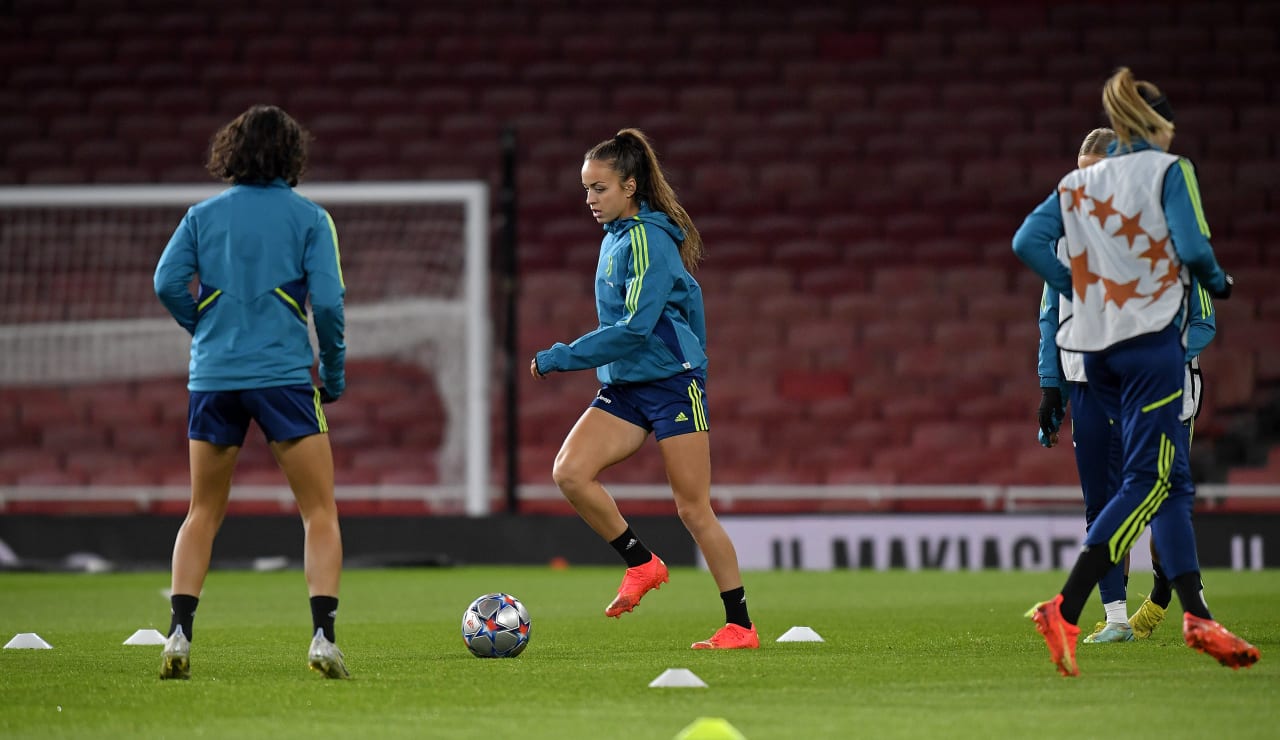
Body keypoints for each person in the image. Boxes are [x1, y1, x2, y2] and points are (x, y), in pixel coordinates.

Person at [1012, 68, 1257, 676]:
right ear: (1159, 124)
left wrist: (1081, 290)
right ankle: (1067, 607)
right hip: (1148, 348)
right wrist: (1218, 282)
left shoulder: (1081, 188)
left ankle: (1195, 615)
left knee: (1163, 483)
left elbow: (1027, 242)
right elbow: (1196, 251)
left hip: (1097, 357)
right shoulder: (1168, 174)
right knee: (1153, 482)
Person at [530, 128, 757, 649]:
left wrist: (564, 356)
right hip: (628, 385)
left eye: (599, 188)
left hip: (672, 384)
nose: (590, 199)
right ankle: (641, 561)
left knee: (693, 508)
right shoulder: (615, 239)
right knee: (570, 473)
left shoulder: (650, 240)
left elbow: (635, 328)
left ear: (630, 187)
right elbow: (684, 304)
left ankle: (740, 625)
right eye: (585, 189)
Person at [153, 104, 350, 679]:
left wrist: (204, 328)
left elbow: (166, 283)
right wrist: (333, 375)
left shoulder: (200, 216)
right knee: (318, 512)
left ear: (231, 151)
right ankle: (322, 639)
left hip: (213, 378)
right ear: (293, 153)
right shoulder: (310, 218)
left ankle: (179, 637)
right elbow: (332, 306)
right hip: (284, 377)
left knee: (203, 512)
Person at [1036, 128, 1217, 644]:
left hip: (1157, 391)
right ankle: (1116, 617)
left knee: (1160, 499)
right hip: (1092, 386)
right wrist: (1053, 384)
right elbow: (1051, 316)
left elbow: (1202, 320)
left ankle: (1177, 603)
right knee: (1103, 497)